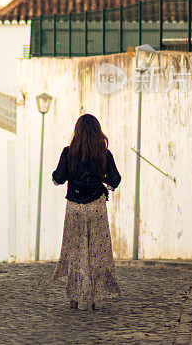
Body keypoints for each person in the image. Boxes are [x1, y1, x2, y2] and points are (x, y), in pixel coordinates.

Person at [51, 114, 122, 310]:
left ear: (77, 132)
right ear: (97, 132)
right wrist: (101, 177)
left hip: (74, 207)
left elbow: (58, 178)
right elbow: (115, 180)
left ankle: (74, 298)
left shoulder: (68, 152)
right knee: (96, 254)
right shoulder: (104, 154)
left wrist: (60, 174)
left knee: (76, 252)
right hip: (97, 207)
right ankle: (92, 298)